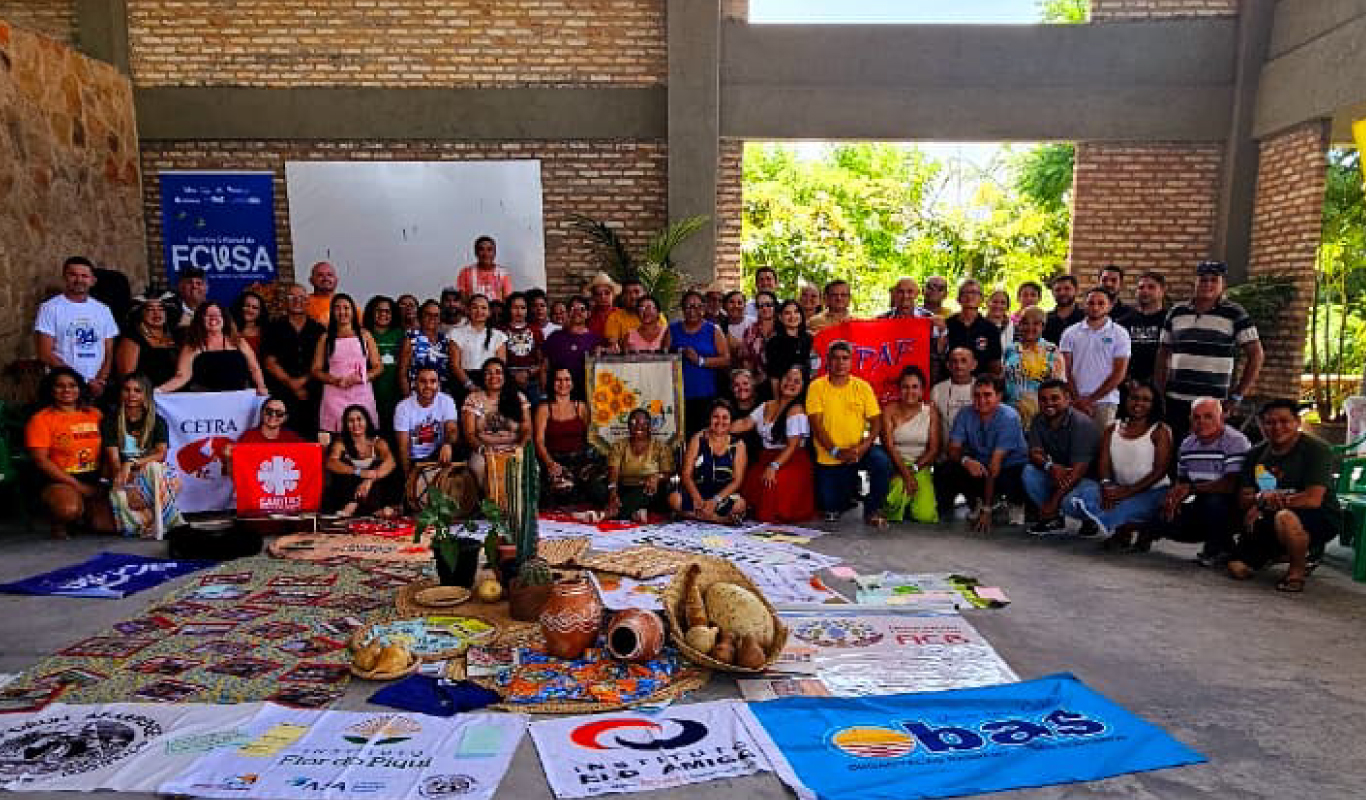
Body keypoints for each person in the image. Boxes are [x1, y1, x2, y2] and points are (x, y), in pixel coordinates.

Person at [1229, 399, 1342, 592]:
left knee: (1285, 518)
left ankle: (1297, 571)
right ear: (1260, 425)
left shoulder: (1317, 450)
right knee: (1237, 569)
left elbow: (1312, 499)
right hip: (1268, 516)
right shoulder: (1254, 454)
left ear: (1297, 422)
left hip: (1317, 515)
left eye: (1284, 421)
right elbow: (1244, 498)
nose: (1277, 427)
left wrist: (1268, 503)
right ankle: (1284, 553)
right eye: (1270, 422)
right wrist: (1259, 500)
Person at [1155, 260, 1264, 445]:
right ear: (1195, 283)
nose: (1208, 285)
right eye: (1203, 280)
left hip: (1213, 404)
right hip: (1176, 400)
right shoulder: (1176, 312)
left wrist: (1237, 395)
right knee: (1173, 451)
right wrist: (1159, 393)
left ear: (1223, 285)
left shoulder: (1235, 313)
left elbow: (1256, 354)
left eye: (1214, 280)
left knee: (1209, 450)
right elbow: (1162, 353)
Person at [1068, 380, 1173, 549]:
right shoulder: (1112, 429)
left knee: (1118, 510)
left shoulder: (1160, 430)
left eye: (1146, 400)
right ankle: (1123, 529)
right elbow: (1104, 465)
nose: (1139, 403)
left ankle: (1141, 530)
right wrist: (1106, 487)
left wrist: (1127, 492)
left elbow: (1160, 471)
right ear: (1126, 399)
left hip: (1152, 491)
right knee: (1076, 495)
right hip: (1118, 489)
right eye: (1134, 398)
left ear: (1154, 404)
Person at [1149, 397, 1251, 564]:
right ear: (1190, 419)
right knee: (1162, 516)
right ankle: (1227, 547)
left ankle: (1217, 549)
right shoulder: (1188, 444)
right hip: (1200, 501)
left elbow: (1230, 484)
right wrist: (1173, 499)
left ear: (1222, 417)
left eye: (1208, 416)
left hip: (1233, 505)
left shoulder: (1235, 440)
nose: (1201, 422)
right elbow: (1182, 481)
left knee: (1214, 501)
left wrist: (1191, 489)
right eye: (1196, 417)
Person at [807, 340, 893, 527]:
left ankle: (873, 509)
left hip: (858, 451)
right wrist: (837, 452)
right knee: (831, 507)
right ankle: (848, 492)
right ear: (828, 361)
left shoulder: (862, 387)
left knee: (882, 462)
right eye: (835, 358)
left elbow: (876, 421)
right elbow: (817, 426)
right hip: (830, 455)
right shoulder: (816, 387)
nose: (840, 363)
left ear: (852, 361)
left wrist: (864, 445)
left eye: (845, 358)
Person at [935, 376, 1029, 533]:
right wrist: (966, 461)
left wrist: (987, 510)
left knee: (1017, 474)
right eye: (977, 395)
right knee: (949, 468)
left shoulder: (1009, 417)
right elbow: (952, 449)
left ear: (999, 396)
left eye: (987, 395)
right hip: (983, 465)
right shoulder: (965, 414)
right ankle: (978, 500)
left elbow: (995, 464)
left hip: (1008, 467)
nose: (981, 400)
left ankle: (1015, 502)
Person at [26, 367, 112, 538]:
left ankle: (84, 515)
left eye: (72, 386)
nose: (67, 390)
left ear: (80, 389)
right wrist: (78, 486)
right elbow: (41, 461)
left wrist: (103, 481)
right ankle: (60, 520)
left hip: (93, 478)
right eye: (60, 386)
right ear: (51, 390)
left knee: (106, 527)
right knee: (67, 510)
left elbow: (109, 450)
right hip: (60, 479)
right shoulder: (41, 419)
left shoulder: (95, 414)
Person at [730, 365, 815, 523]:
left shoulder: (797, 410)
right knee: (750, 481)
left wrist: (773, 467)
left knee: (771, 483)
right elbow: (745, 423)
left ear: (803, 387)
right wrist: (719, 429)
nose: (790, 383)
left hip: (791, 460)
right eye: (787, 378)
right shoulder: (767, 405)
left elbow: (792, 446)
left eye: (796, 381)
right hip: (767, 458)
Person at [102, 373, 182, 538]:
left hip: (150, 476)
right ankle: (157, 523)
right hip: (123, 477)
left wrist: (131, 463)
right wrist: (129, 486)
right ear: (121, 393)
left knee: (156, 469)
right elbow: (114, 460)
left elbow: (161, 455)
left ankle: (159, 522)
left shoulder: (157, 421)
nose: (131, 395)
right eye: (127, 390)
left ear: (145, 394)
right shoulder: (111, 421)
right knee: (119, 496)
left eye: (137, 390)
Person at [1022, 380, 1100, 536]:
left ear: (1067, 398)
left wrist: (1053, 502)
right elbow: (1034, 453)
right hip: (1060, 473)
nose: (1048, 403)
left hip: (1088, 480)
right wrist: (1050, 467)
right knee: (1029, 472)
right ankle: (1054, 520)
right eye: (1043, 399)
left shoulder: (1081, 423)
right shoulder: (1039, 420)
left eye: (1054, 398)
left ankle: (1090, 519)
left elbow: (1078, 471)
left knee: (1067, 501)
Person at [34, 257, 119, 394]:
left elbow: (109, 351)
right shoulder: (49, 308)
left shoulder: (103, 310)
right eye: (73, 275)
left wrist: (101, 380)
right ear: (64, 277)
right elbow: (45, 354)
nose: (79, 280)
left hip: (98, 386)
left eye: (84, 276)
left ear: (92, 280)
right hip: (64, 388)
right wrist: (82, 381)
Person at [158, 301, 268, 394]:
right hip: (206, 399)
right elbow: (182, 376)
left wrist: (261, 386)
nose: (213, 318)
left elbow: (254, 368)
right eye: (208, 315)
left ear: (224, 319)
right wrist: (159, 391)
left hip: (238, 398)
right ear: (201, 319)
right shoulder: (192, 345)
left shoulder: (238, 341)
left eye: (217, 315)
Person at [533, 367, 606, 507]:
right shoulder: (544, 409)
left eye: (567, 379)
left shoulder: (581, 407)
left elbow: (590, 437)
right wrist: (550, 464)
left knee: (597, 490)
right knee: (562, 490)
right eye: (558, 380)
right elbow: (539, 441)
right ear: (552, 382)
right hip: (555, 461)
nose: (563, 384)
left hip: (580, 460)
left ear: (572, 383)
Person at [1060, 287, 1131, 428]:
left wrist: (1091, 400)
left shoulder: (1120, 333)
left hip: (1105, 402)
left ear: (1110, 306)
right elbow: (1064, 370)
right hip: (1074, 401)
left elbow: (1119, 373)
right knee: (1076, 446)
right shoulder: (1070, 333)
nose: (1095, 307)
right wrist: (1077, 400)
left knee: (1101, 446)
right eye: (1091, 303)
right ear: (1084, 305)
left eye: (1101, 303)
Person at [262, 283, 326, 437]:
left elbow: (323, 361)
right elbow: (269, 362)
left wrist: (303, 381)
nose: (297, 301)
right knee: (285, 438)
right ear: (285, 302)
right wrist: (291, 383)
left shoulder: (318, 329)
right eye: (292, 297)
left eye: (301, 298)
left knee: (313, 438)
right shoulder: (273, 327)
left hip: (313, 393)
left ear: (307, 302)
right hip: (282, 393)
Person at [312, 294, 382, 437]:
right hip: (334, 395)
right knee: (336, 437)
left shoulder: (365, 335)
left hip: (362, 392)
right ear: (332, 312)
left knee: (365, 435)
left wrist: (361, 378)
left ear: (353, 311)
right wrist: (336, 381)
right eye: (337, 308)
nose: (342, 312)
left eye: (346, 308)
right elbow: (315, 370)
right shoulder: (325, 337)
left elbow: (378, 366)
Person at [669, 399, 749, 524]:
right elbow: (686, 474)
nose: (720, 421)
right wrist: (697, 499)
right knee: (674, 499)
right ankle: (719, 519)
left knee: (740, 505)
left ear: (731, 421)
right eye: (715, 417)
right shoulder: (698, 439)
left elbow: (737, 480)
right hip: (698, 491)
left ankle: (692, 515)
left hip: (721, 495)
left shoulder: (738, 445)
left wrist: (715, 501)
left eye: (725, 418)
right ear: (709, 419)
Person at [461, 358, 531, 495]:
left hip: (514, 449)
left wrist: (521, 448)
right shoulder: (473, 398)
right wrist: (483, 450)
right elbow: (469, 434)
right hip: (484, 450)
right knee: (478, 467)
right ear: (483, 376)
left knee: (531, 467)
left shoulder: (518, 397)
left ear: (505, 376)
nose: (493, 377)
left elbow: (527, 430)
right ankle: (492, 505)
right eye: (488, 373)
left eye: (498, 372)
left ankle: (516, 506)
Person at [880, 366, 940, 524]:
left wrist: (912, 471)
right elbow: (889, 446)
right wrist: (905, 475)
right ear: (899, 389)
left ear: (922, 390)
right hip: (895, 465)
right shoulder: (889, 411)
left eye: (915, 387)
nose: (910, 391)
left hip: (920, 466)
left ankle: (910, 502)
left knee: (925, 516)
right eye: (905, 387)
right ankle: (901, 501)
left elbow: (934, 450)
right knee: (893, 502)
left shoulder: (930, 412)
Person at [670, 290, 730, 436]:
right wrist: (677, 353)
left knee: (704, 436)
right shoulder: (672, 329)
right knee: (682, 436)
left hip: (707, 394)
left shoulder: (713, 330)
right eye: (689, 306)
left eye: (698, 306)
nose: (693, 311)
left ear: (704, 308)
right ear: (683, 309)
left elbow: (726, 359)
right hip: (678, 395)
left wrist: (700, 361)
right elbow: (664, 356)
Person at [324, 404, 400, 518]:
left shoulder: (377, 442)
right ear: (346, 424)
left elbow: (391, 462)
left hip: (373, 493)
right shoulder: (341, 443)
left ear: (367, 421)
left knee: (378, 465)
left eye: (359, 419)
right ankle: (354, 504)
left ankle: (362, 506)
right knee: (345, 465)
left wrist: (369, 480)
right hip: (347, 494)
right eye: (351, 421)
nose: (356, 424)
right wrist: (358, 472)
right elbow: (331, 463)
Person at [605, 408, 676, 522]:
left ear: (650, 426)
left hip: (648, 488)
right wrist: (613, 493)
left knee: (647, 492)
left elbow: (668, 473)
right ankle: (632, 511)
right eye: (634, 422)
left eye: (644, 423)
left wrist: (657, 477)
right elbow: (614, 472)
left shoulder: (661, 447)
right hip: (623, 488)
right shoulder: (619, 446)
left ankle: (608, 513)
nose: (639, 426)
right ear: (628, 426)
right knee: (597, 487)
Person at [1002, 306, 1065, 428]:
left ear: (1043, 326)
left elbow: (1059, 384)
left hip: (1042, 413)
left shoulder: (1051, 350)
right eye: (1025, 323)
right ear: (1019, 325)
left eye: (1036, 323)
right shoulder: (1010, 349)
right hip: (1012, 411)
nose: (1030, 327)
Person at [394, 366, 461, 478]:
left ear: (438, 384)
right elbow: (403, 447)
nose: (428, 386)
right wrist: (408, 477)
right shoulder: (403, 407)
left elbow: (452, 429)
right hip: (416, 460)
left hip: (439, 455)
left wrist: (447, 443)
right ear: (414, 384)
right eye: (423, 381)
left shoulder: (446, 400)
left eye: (433, 381)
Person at [448, 294, 509, 397]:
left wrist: (491, 384)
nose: (479, 311)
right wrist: (469, 385)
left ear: (489, 312)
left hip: (491, 381)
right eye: (475, 307)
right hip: (463, 382)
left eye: (483, 308)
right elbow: (455, 365)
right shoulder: (456, 334)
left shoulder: (499, 336)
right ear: (468, 310)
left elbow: (501, 364)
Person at [115, 292, 179, 388]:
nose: (156, 313)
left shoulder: (176, 337)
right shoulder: (132, 339)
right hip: (145, 395)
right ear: (140, 314)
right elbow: (126, 377)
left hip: (173, 395)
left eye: (161, 309)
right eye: (150, 309)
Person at [543, 296, 604, 395]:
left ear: (588, 314)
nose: (577, 312)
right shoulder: (554, 337)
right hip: (558, 395)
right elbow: (544, 368)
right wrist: (544, 393)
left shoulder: (596, 340)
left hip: (587, 394)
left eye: (582, 309)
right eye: (572, 309)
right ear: (567, 313)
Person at [363, 296, 403, 433]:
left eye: (387, 311)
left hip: (395, 395)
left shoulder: (400, 334)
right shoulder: (363, 334)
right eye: (379, 311)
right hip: (370, 395)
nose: (383, 314)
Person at [946, 279, 1002, 376]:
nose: (970, 296)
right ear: (958, 298)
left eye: (974, 293)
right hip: (951, 383)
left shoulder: (991, 329)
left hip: (979, 385)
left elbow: (995, 364)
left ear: (982, 299)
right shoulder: (947, 325)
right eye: (965, 293)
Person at [400, 300, 455, 398]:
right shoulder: (411, 338)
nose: (432, 318)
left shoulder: (446, 340)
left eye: (436, 315)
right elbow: (402, 373)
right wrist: (408, 399)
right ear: (420, 317)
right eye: (428, 314)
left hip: (442, 395)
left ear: (440, 319)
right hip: (417, 395)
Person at [1121, 271, 1168, 386]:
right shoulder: (1123, 322)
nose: (1145, 291)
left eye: (1151, 287)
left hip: (1161, 386)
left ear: (1162, 291)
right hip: (1129, 386)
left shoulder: (1171, 320)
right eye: (1141, 287)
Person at [502, 292, 545, 406]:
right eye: (515, 307)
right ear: (509, 309)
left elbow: (542, 361)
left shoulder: (535, 330)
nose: (519, 311)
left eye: (523, 308)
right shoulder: (501, 331)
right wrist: (513, 376)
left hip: (532, 381)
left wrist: (527, 373)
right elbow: (499, 360)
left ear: (527, 310)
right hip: (508, 380)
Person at [765, 300, 813, 397]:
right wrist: (778, 402)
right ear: (780, 317)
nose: (793, 316)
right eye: (787, 313)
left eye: (796, 312)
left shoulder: (808, 338)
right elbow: (774, 377)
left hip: (807, 391)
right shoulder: (774, 342)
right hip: (784, 393)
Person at [932, 347, 978, 442]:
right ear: (948, 365)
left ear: (974, 365)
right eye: (954, 361)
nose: (958, 365)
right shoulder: (937, 389)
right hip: (945, 453)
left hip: (976, 453)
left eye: (964, 361)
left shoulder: (983, 389)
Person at [741, 290, 778, 395]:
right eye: (760, 306)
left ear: (775, 306)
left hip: (783, 384)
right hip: (759, 385)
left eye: (768, 305)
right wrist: (752, 381)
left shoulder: (783, 328)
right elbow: (746, 360)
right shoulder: (750, 331)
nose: (765, 308)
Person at [456, 235, 513, 302]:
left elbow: (507, 299)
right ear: (476, 252)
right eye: (481, 249)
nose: (485, 254)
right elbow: (463, 300)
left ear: (494, 253)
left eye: (489, 250)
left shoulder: (503, 274)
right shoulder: (465, 273)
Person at [235, 395, 305, 446]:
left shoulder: (292, 439)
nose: (273, 415)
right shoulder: (249, 437)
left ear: (285, 418)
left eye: (279, 413)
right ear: (262, 413)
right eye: (269, 411)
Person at [728, 369, 763, 458]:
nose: (741, 388)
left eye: (745, 383)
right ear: (731, 388)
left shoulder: (764, 406)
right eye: (736, 385)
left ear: (753, 385)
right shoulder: (726, 409)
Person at [1042, 274, 1084, 344]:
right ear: (1053, 293)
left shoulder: (1086, 318)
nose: (1062, 293)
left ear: (1076, 291)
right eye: (1058, 290)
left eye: (1067, 289)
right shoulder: (1045, 318)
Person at [603, 278, 646, 344]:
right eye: (628, 293)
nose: (633, 296)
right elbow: (613, 344)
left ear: (644, 294)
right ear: (623, 297)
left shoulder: (657, 316)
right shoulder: (615, 317)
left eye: (637, 292)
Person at [230, 290, 268, 356]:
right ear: (240, 306)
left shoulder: (266, 332)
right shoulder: (230, 328)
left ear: (260, 312)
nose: (250, 310)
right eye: (247, 305)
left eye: (255, 308)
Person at [586, 272, 619, 339]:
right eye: (598, 294)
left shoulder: (621, 315)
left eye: (607, 293)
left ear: (613, 295)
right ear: (593, 297)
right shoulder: (588, 316)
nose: (602, 297)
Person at [985, 289, 1014, 354]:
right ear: (988, 303)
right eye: (995, 302)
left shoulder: (1014, 327)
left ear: (1007, 307)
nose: (998, 306)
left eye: (1003, 303)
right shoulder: (979, 325)